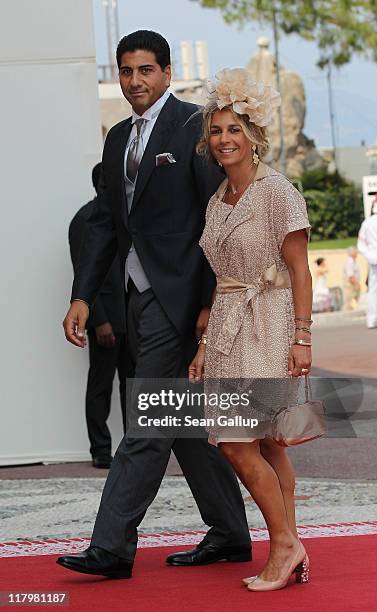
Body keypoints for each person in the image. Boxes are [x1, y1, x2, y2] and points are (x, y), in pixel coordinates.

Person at [58, 31, 251, 579]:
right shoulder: (118, 136)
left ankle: (111, 546)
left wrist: (214, 303)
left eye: (145, 71)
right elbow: (104, 222)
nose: (135, 81)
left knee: (147, 419)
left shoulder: (195, 127)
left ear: (166, 73)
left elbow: (221, 216)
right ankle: (231, 534)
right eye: (125, 71)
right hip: (135, 300)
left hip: (183, 299)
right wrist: (81, 295)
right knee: (183, 421)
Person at [189, 68, 312, 592]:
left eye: (233, 130)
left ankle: (283, 546)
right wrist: (203, 345)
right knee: (268, 446)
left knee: (240, 445)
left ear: (253, 135)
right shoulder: (218, 201)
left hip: (270, 325)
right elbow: (223, 282)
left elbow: (300, 270)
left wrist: (302, 337)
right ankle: (294, 544)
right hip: (227, 331)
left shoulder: (277, 192)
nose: (223, 140)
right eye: (216, 132)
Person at [69, 163, 126, 469]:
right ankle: (100, 449)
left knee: (134, 386)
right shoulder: (85, 220)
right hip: (105, 321)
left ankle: (136, 446)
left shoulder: (124, 218)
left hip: (132, 319)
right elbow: (86, 272)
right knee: (101, 385)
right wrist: (99, 319)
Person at [357, 199, 377, 328]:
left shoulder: (367, 223)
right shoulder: (368, 223)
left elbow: (361, 245)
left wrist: (370, 257)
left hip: (374, 259)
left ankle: (372, 319)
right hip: (374, 259)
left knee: (373, 290)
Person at [342, 246, 360, 311]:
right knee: (348, 303)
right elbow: (351, 276)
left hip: (352, 284)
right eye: (356, 252)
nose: (357, 253)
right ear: (352, 253)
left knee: (352, 302)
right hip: (350, 285)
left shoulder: (353, 261)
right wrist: (356, 285)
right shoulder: (350, 262)